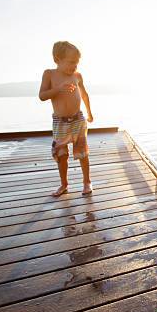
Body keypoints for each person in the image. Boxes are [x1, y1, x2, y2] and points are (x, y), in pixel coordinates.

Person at [39, 41, 94, 197]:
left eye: (76, 63)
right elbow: (42, 96)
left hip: (78, 119)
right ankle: (64, 184)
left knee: (82, 152)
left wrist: (89, 113)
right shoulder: (49, 74)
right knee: (61, 154)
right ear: (57, 59)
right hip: (60, 122)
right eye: (71, 62)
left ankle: (87, 182)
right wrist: (58, 89)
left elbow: (84, 95)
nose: (74, 67)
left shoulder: (77, 76)